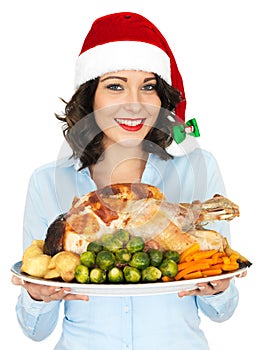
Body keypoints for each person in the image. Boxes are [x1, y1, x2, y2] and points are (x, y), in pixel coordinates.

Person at [12, 12, 244, 350]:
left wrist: (220, 288)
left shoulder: (198, 166)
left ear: (162, 99)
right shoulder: (48, 181)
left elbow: (222, 312)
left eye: (148, 87)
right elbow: (35, 331)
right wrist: (36, 294)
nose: (134, 104)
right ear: (89, 96)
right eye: (115, 86)